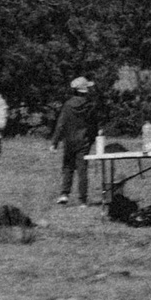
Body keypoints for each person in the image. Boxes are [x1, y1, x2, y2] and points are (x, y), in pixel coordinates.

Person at [51, 77, 98, 206]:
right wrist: (92, 139)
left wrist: (54, 142)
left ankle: (64, 194)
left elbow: (61, 124)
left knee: (67, 167)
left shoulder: (67, 105)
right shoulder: (90, 105)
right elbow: (93, 125)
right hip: (84, 141)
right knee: (82, 170)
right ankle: (83, 200)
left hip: (69, 141)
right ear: (85, 90)